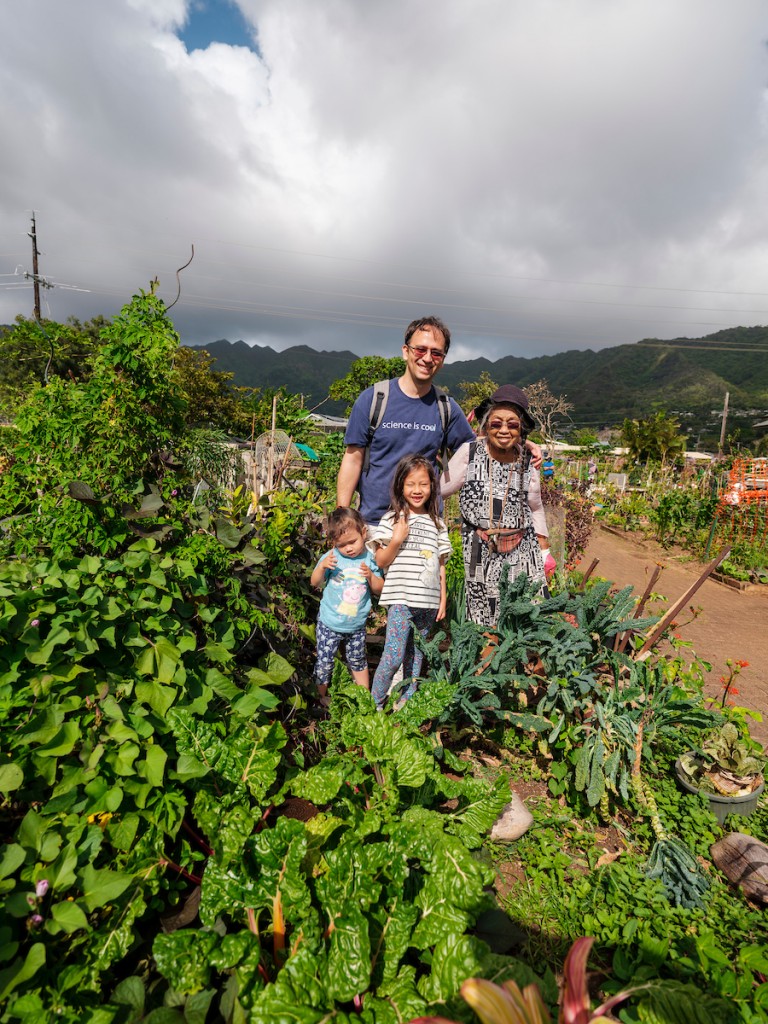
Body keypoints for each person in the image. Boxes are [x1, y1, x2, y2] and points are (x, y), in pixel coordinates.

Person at [337, 316, 476, 527]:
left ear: (442, 359)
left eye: (436, 353)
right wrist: (342, 517)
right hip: (374, 524)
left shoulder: (446, 408)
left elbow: (473, 450)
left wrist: (519, 444)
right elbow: (353, 459)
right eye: (420, 349)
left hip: (424, 527)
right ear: (405, 351)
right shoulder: (373, 399)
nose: (427, 358)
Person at [441, 385, 550, 627]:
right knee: (483, 618)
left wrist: (545, 550)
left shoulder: (526, 458)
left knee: (527, 616)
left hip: (523, 548)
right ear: (486, 426)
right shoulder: (469, 453)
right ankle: (486, 664)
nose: (503, 430)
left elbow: (536, 506)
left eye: (512, 425)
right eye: (496, 423)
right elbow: (439, 491)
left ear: (521, 429)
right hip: (480, 548)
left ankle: (523, 663)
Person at [367, 454, 451, 710]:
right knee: (393, 656)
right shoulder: (393, 520)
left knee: (416, 658)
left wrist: (443, 598)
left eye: (423, 484)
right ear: (400, 486)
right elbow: (380, 561)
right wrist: (396, 539)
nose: (417, 490)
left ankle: (405, 705)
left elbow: (440, 565)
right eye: (411, 484)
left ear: (432, 487)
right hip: (401, 600)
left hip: (426, 602)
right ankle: (375, 706)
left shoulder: (438, 524)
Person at [310, 507, 384, 703]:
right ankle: (321, 697)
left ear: (363, 532)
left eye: (353, 542)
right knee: (325, 661)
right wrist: (322, 568)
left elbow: (379, 588)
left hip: (356, 625)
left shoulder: (369, 558)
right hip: (329, 622)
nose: (349, 548)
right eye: (342, 545)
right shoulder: (332, 558)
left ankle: (364, 698)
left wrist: (371, 577)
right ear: (334, 543)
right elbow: (314, 582)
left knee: (358, 661)